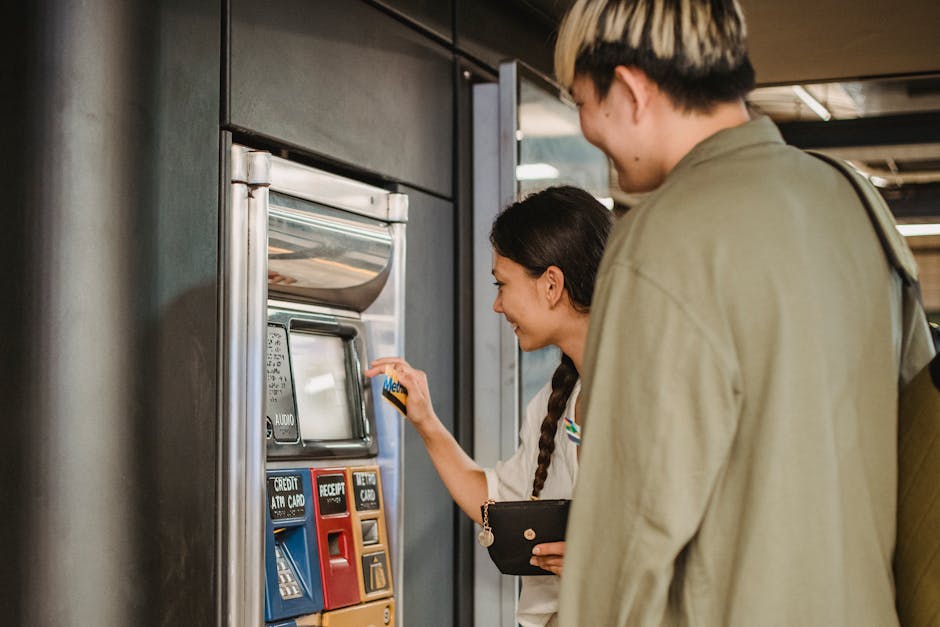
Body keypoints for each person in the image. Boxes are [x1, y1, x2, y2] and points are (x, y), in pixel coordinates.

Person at [552, 1, 935, 626]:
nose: (588, 129)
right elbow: (915, 447)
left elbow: (624, 543)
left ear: (629, 89)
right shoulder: (856, 204)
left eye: (581, 102)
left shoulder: (662, 240)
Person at [366, 185, 611, 627]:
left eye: (502, 284)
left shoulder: (652, 397)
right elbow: (494, 501)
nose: (497, 305)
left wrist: (606, 566)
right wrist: (425, 421)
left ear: (551, 284)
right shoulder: (554, 405)